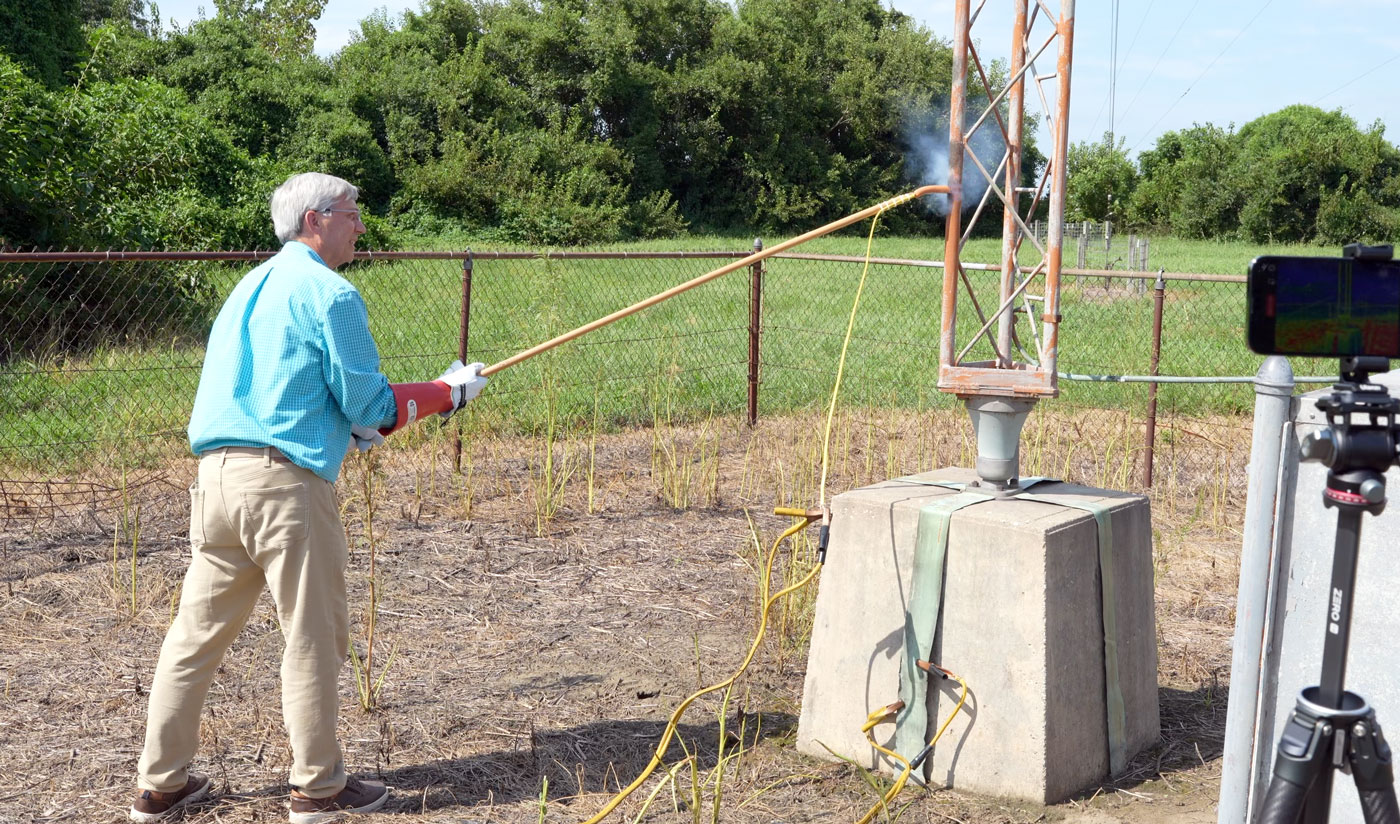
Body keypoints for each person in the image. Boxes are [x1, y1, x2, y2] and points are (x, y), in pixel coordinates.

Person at [129, 172, 487, 824]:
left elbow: (287, 392)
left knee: (193, 639)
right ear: (316, 220)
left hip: (216, 482)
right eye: (353, 213)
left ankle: (159, 787)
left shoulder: (246, 290)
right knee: (313, 636)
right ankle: (317, 789)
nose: (361, 225)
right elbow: (373, 405)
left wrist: (343, 428)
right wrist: (445, 393)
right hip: (285, 490)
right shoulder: (331, 293)